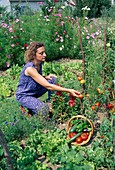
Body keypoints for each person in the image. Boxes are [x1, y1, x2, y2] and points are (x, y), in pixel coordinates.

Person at [16, 41, 80, 115]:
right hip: (24, 96)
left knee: (52, 79)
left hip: (35, 91)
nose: (45, 55)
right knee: (44, 110)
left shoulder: (39, 64)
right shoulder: (30, 68)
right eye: (41, 53)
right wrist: (69, 90)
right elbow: (48, 86)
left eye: (44, 52)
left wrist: (44, 77)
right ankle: (30, 112)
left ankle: (53, 103)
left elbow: (34, 78)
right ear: (33, 55)